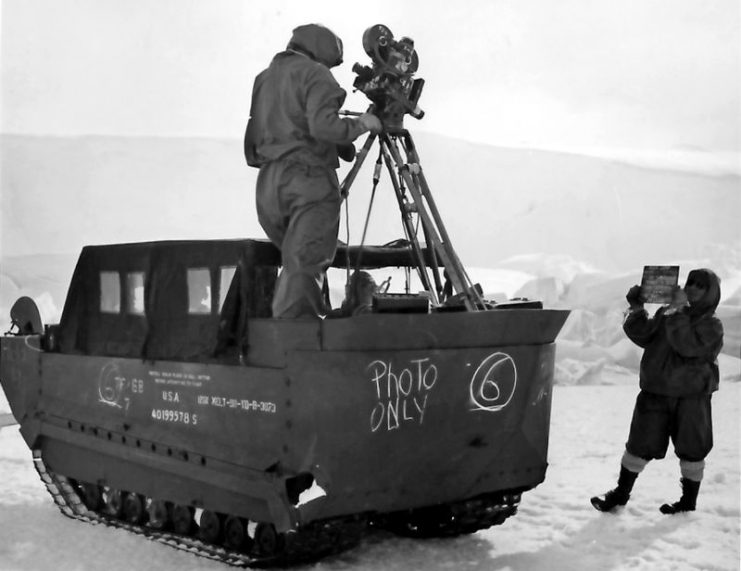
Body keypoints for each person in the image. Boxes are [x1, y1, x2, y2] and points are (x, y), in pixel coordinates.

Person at [244, 23, 382, 319]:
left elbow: (256, 140)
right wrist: (361, 125)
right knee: (305, 263)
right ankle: (297, 341)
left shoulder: (265, 78)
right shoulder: (316, 74)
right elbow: (322, 126)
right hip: (308, 181)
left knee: (296, 264)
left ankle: (301, 324)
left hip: (268, 185)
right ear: (324, 54)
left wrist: (337, 142)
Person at [591, 269, 724, 514]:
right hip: (655, 392)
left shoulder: (711, 325)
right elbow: (644, 334)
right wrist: (637, 307)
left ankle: (688, 501)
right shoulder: (668, 312)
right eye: (691, 282)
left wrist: (677, 312)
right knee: (639, 443)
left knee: (692, 447)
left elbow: (687, 346)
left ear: (710, 293)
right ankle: (619, 495)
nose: (693, 287)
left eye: (701, 285)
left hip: (691, 398)